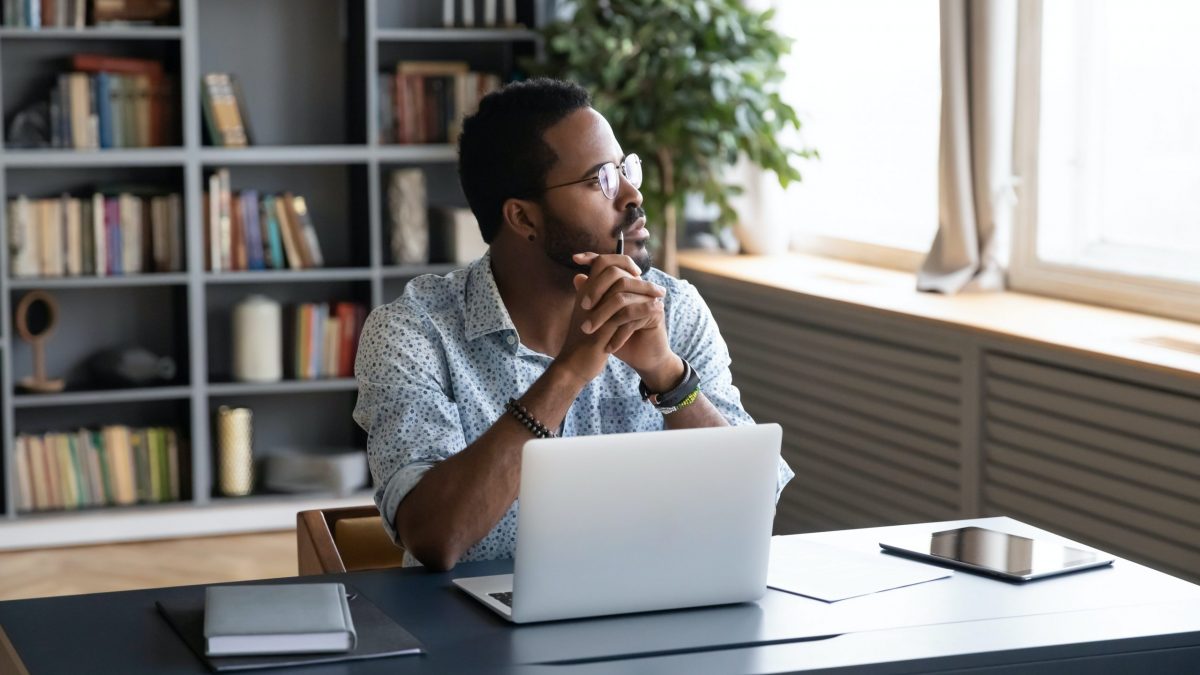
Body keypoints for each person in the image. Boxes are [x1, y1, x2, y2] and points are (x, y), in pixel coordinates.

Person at [353, 79, 793, 571]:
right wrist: (568, 373)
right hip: (476, 631)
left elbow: (757, 505)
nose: (631, 194)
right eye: (599, 180)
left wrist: (668, 376)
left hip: (657, 616)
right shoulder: (414, 332)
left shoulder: (676, 310)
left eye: (627, 169)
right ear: (523, 218)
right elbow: (436, 538)